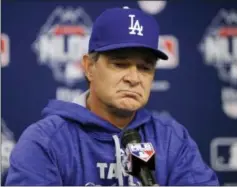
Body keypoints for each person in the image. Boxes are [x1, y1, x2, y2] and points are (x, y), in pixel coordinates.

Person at [5, 7, 219, 186]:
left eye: (145, 67)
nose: (134, 78)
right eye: (120, 64)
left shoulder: (172, 139)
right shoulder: (45, 142)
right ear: (89, 67)